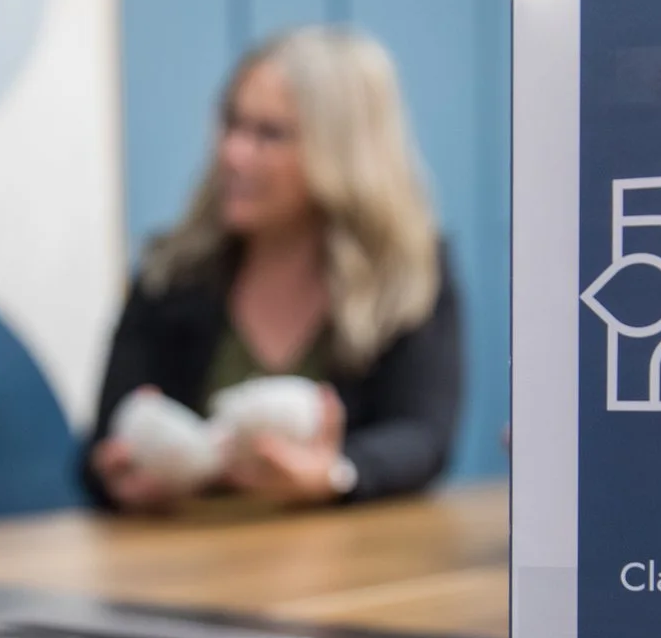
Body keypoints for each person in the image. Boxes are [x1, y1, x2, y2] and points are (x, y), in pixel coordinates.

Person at [83, 26, 461, 510]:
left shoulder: (408, 274)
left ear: (343, 152)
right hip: (189, 563)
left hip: (352, 570)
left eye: (269, 134)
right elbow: (95, 452)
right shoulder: (172, 275)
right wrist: (118, 476)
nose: (233, 153)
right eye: (232, 124)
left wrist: (336, 473)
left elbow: (423, 440)